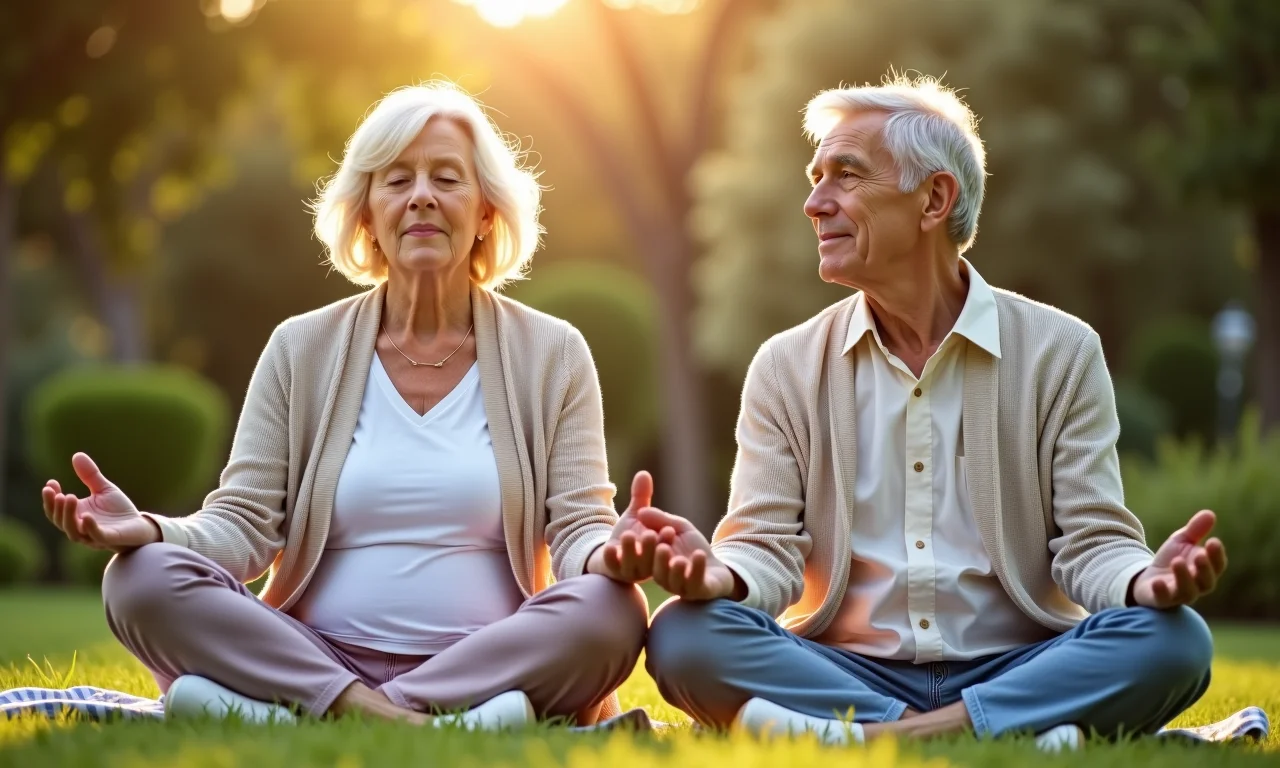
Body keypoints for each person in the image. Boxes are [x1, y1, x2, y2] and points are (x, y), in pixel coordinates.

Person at [611, 75, 1226, 750]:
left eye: (846, 175)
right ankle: (996, 729)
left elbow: (1091, 541)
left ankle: (886, 737)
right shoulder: (785, 366)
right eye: (815, 178)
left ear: (934, 198)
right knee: (684, 634)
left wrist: (1144, 580)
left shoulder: (1063, 351)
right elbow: (765, 548)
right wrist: (719, 574)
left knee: (1173, 640)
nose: (815, 203)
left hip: (1020, 661)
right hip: (845, 666)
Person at [41, 83, 651, 729]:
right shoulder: (299, 348)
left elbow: (581, 525)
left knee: (614, 611)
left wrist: (613, 555)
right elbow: (245, 523)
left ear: (486, 214)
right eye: (396, 181)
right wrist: (155, 533)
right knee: (138, 580)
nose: (421, 195)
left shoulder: (553, 352)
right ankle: (401, 716)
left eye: (446, 177)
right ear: (366, 217)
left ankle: (294, 714)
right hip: (315, 654)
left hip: (488, 658)